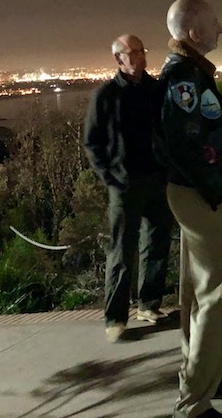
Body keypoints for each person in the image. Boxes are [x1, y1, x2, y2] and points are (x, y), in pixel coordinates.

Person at [160, 0, 222, 418]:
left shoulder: (188, 74)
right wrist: (219, 193)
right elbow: (186, 147)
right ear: (193, 33)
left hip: (195, 197)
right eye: (215, 22)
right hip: (204, 199)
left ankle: (201, 377)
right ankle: (195, 402)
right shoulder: (184, 80)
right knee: (220, 291)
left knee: (198, 292)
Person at [83, 34, 174, 343]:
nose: (138, 57)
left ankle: (149, 304)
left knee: (158, 243)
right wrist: (109, 176)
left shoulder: (156, 90)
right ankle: (115, 316)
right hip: (124, 185)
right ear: (118, 59)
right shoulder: (105, 96)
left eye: (141, 51)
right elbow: (92, 142)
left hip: (157, 180)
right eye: (131, 53)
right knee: (122, 250)